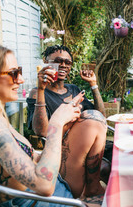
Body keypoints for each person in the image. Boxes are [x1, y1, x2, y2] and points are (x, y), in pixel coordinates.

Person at [0, 44, 86, 206]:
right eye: (13, 73)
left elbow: (33, 159)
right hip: (47, 201)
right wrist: (57, 123)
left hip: (55, 195)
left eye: (20, 71)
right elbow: (45, 186)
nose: (21, 80)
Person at [26, 45, 107, 199]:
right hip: (63, 151)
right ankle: (92, 191)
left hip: (88, 145)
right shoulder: (38, 92)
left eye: (67, 62)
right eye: (58, 61)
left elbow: (100, 117)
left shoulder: (73, 89)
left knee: (115, 164)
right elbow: (41, 131)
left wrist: (93, 85)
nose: (63, 65)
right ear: (46, 62)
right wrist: (41, 89)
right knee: (105, 167)